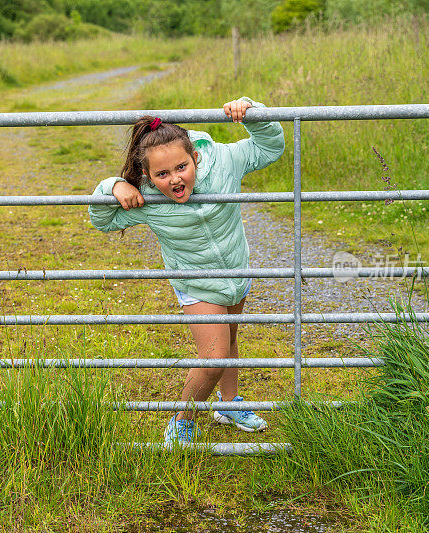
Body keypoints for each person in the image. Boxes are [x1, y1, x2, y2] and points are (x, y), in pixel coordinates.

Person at [89, 97, 285, 444]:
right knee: (213, 359)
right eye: (162, 174)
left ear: (195, 157)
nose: (175, 180)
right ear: (148, 176)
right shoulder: (148, 199)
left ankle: (229, 405)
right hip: (195, 283)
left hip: (236, 272)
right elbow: (102, 219)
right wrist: (113, 186)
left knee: (230, 339)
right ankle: (183, 418)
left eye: (182, 167)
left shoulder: (223, 162)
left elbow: (270, 147)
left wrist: (251, 113)